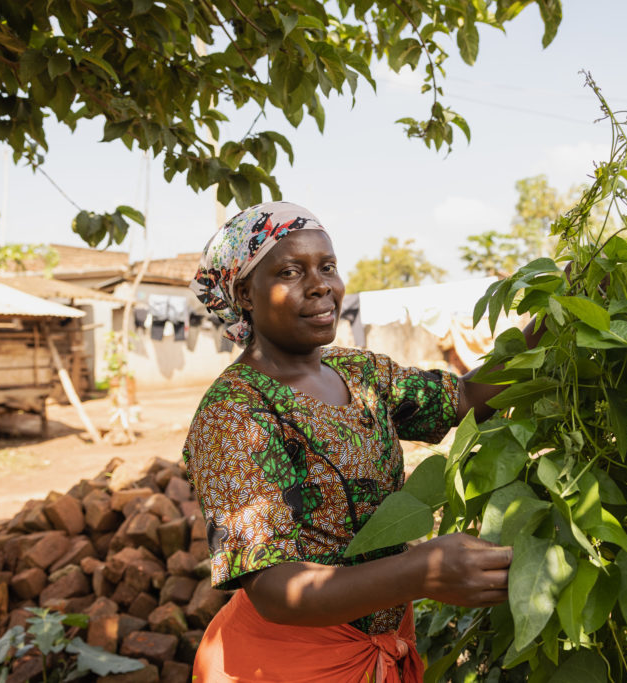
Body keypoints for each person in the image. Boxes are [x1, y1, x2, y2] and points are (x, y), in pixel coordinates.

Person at [184, 202, 542, 682]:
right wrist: (419, 572)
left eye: (327, 267)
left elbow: (462, 396)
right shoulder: (234, 414)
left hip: (379, 647)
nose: (321, 286)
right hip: (286, 663)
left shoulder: (360, 373)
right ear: (246, 293)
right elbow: (274, 588)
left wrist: (549, 325)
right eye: (291, 270)